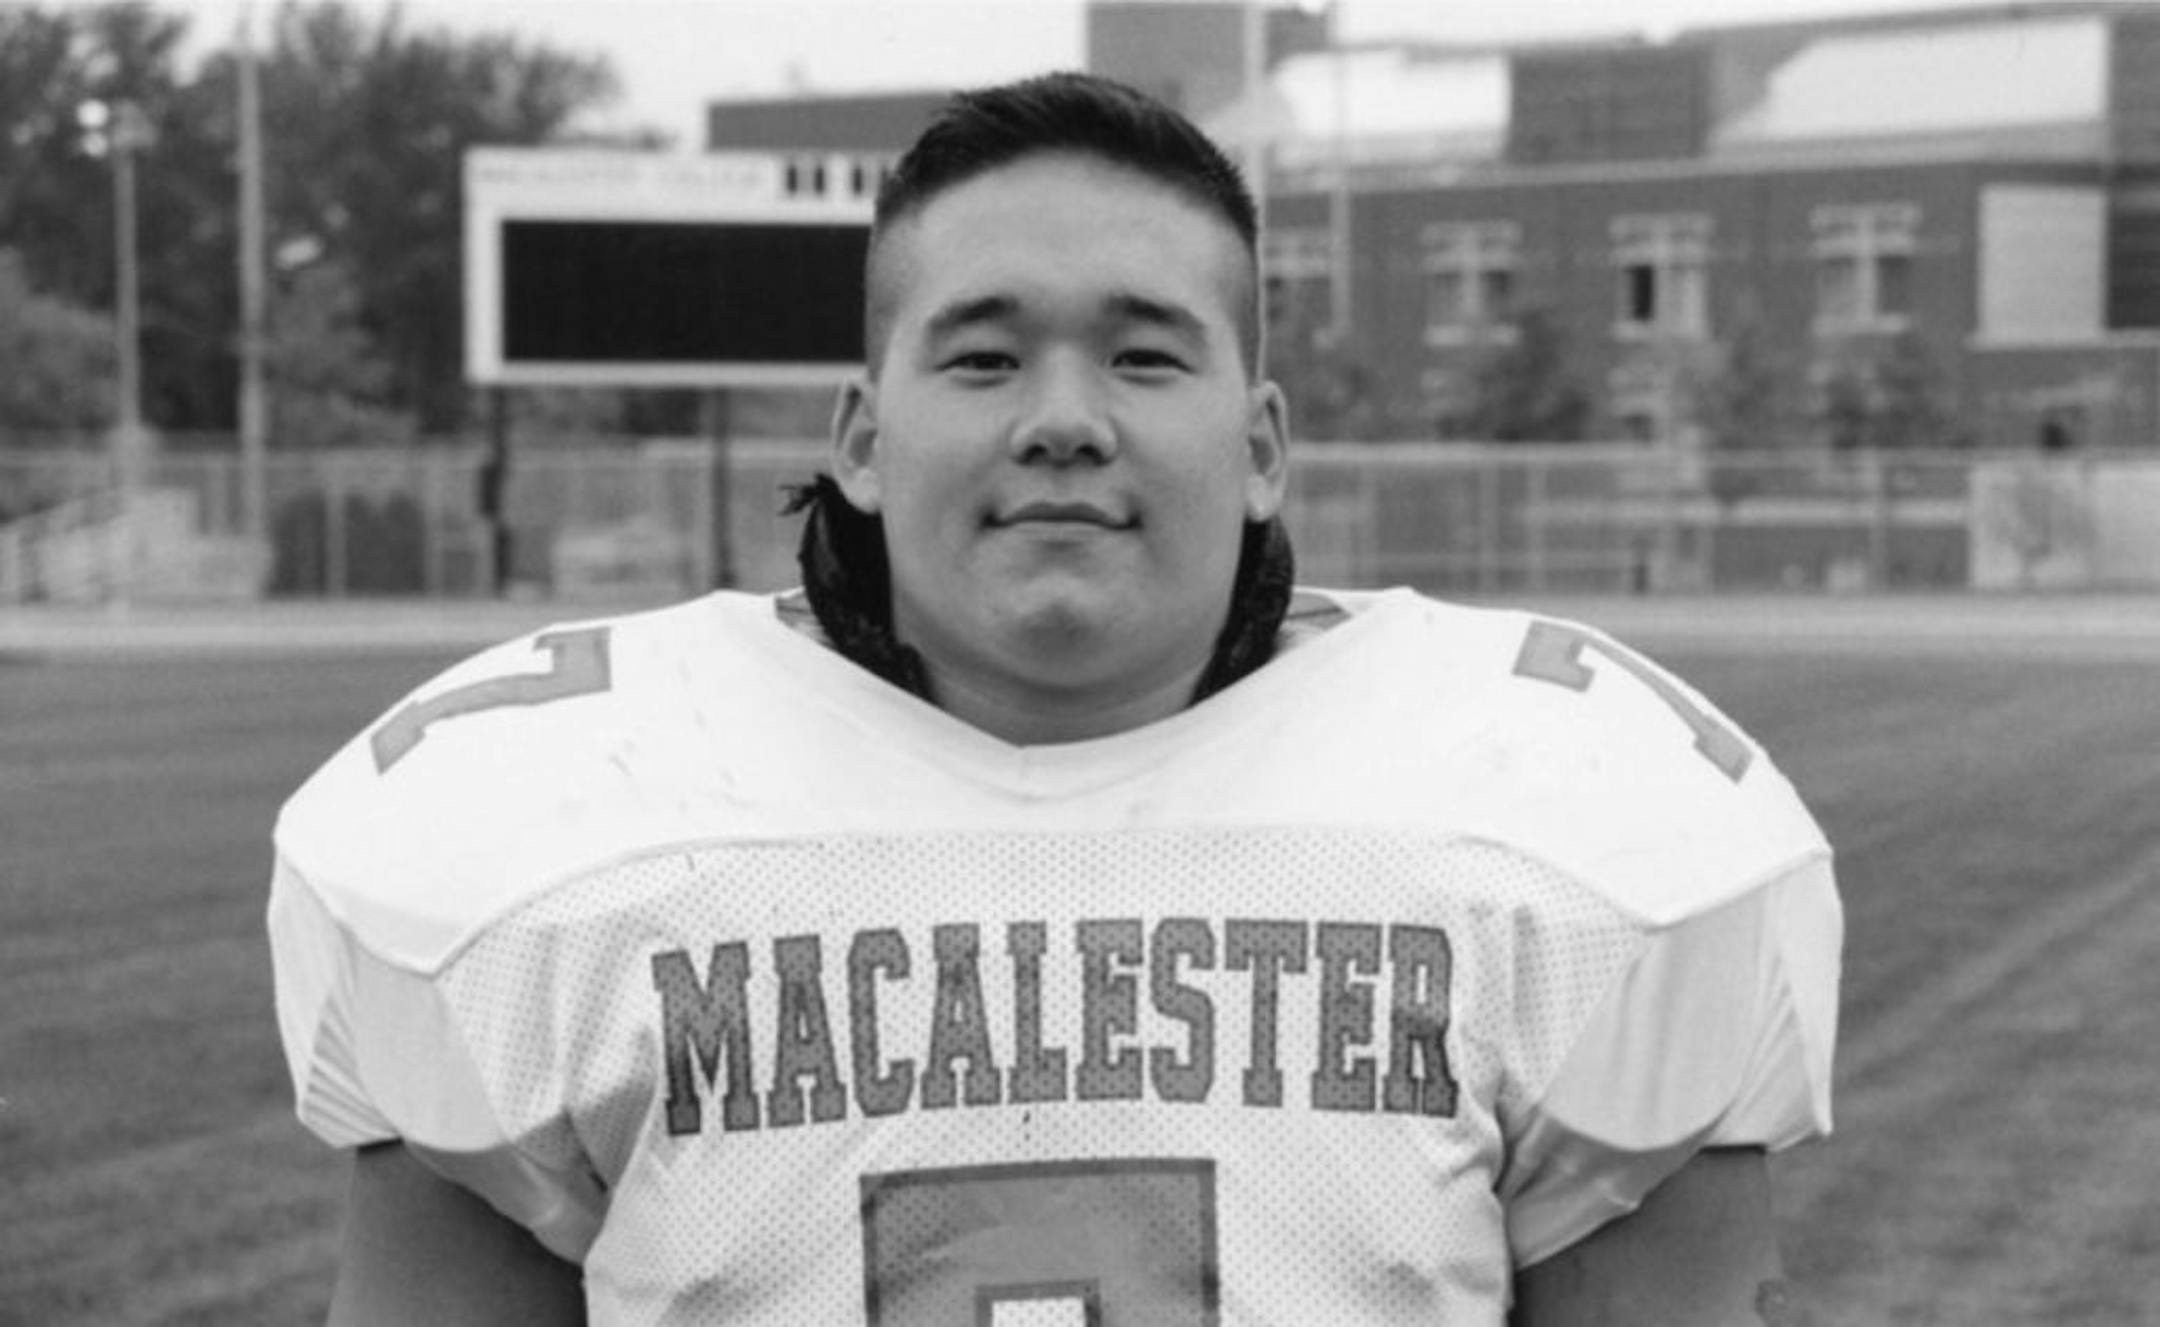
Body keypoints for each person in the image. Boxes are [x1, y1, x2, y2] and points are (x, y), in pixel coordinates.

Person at [268, 71, 1840, 1326]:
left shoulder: (1572, 830)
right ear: (863, 438)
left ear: (1265, 442)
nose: (1066, 422)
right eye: (984, 358)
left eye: (1148, 359)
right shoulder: (547, 836)